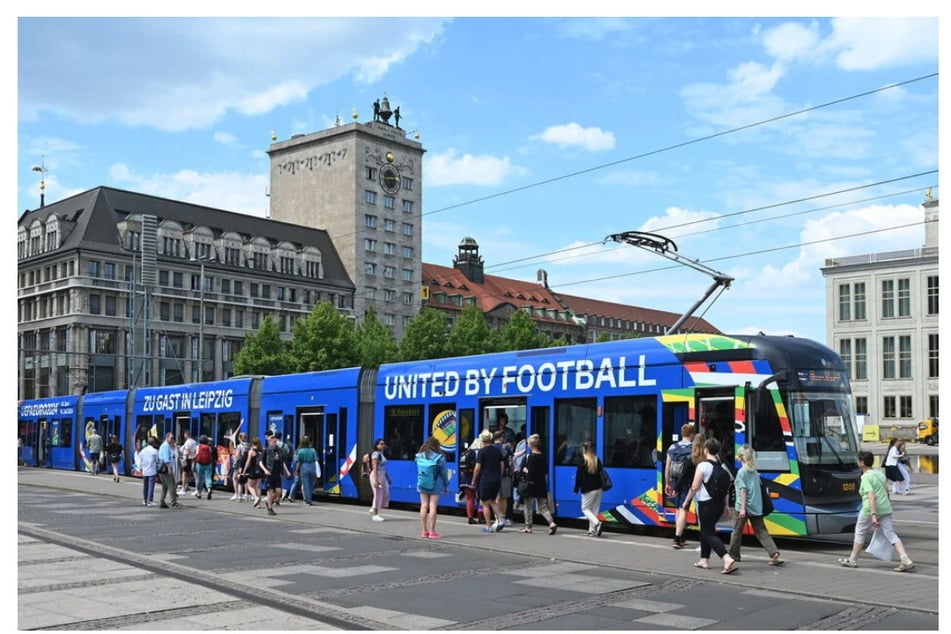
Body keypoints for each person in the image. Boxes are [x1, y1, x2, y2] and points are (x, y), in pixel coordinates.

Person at [838, 451, 915, 572]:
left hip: (870, 509)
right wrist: (886, 507)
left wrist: (873, 515)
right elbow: (885, 491)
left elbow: (871, 496)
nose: (857, 462)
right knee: (891, 534)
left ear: (862, 463)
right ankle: (905, 559)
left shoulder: (866, 477)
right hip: (885, 508)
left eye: (858, 460)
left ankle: (852, 559)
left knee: (860, 532)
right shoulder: (879, 473)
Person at [680, 437, 737, 574]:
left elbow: (694, 486)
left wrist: (686, 501)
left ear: (705, 450)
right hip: (718, 504)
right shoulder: (721, 466)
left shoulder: (702, 466)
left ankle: (726, 557)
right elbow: (728, 486)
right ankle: (704, 560)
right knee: (707, 530)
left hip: (706, 504)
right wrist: (726, 506)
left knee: (708, 533)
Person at [727, 445, 782, 566]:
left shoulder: (741, 472)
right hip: (756, 506)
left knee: (736, 531)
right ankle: (774, 553)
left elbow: (743, 491)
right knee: (761, 531)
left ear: (741, 457)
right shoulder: (754, 471)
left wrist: (742, 508)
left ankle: (733, 556)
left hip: (743, 506)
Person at [517, 434, 557, 535]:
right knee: (542, 506)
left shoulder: (531, 457)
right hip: (540, 484)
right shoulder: (542, 456)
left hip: (530, 485)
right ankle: (551, 523)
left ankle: (528, 527)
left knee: (528, 506)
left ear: (531, 445)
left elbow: (530, 472)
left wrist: (525, 470)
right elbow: (545, 471)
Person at [666, 423, 696, 549]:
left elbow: (667, 467)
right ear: (692, 434)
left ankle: (680, 534)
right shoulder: (694, 448)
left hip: (674, 480)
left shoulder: (673, 447)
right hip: (687, 482)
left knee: (678, 509)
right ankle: (677, 538)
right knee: (684, 508)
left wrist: (667, 483)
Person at [415, 436, 449, 538]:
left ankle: (424, 531)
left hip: (422, 483)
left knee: (424, 505)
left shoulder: (419, 456)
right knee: (432, 506)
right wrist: (446, 485)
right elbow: (444, 473)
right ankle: (432, 532)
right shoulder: (440, 458)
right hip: (435, 484)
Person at [471, 429, 504, 532]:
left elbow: (477, 468)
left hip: (485, 479)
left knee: (485, 503)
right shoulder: (497, 451)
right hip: (496, 479)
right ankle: (501, 519)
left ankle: (488, 526)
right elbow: (502, 465)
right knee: (493, 500)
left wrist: (473, 480)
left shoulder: (482, 452)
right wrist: (499, 476)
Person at [574, 441, 605, 537]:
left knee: (585, 509)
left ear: (584, 449)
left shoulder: (583, 460)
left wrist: (576, 487)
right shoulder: (597, 459)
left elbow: (578, 476)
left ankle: (597, 523)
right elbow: (601, 473)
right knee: (594, 510)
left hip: (588, 489)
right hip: (599, 488)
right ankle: (591, 531)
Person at [262, 433, 291, 515]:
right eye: (273, 441)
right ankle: (270, 509)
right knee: (270, 491)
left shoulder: (279, 451)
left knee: (278, 492)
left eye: (276, 441)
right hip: (269, 474)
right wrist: (265, 470)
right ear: (269, 442)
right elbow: (260, 462)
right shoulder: (266, 451)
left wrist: (287, 471)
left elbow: (282, 462)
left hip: (277, 474)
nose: (275, 443)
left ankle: (269, 502)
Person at [289, 436, 320, 506]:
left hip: (304, 467)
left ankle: (308, 501)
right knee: (311, 484)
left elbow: (299, 461)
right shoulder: (313, 450)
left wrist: (297, 470)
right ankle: (310, 499)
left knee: (306, 485)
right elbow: (316, 459)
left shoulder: (300, 451)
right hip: (312, 467)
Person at [459, 436, 482, 525]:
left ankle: (470, 517)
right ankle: (480, 517)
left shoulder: (468, 452)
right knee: (480, 499)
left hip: (465, 478)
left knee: (470, 498)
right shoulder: (480, 452)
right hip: (476, 477)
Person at [369, 438, 390, 521]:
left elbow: (383, 468)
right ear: (376, 445)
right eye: (381, 444)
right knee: (378, 494)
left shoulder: (380, 454)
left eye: (383, 444)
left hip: (382, 475)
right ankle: (375, 515)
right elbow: (375, 467)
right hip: (376, 475)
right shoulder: (375, 454)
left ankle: (373, 508)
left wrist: (388, 478)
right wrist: (376, 480)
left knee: (386, 493)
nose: (383, 445)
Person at [157, 433, 180, 509]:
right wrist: (169, 469)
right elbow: (166, 459)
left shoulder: (164, 445)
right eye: (171, 438)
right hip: (166, 468)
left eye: (173, 438)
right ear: (167, 437)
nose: (173, 439)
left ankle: (162, 501)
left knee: (165, 486)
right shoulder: (166, 446)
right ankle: (173, 502)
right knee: (171, 486)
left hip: (161, 469)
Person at [241, 437, 265, 507]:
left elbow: (248, 462)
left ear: (252, 443)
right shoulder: (261, 450)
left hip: (253, 470)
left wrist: (244, 470)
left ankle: (256, 497)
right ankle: (258, 504)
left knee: (250, 486)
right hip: (260, 470)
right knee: (258, 487)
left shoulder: (251, 451)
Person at [138, 436, 159, 507]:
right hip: (152, 471)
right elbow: (157, 461)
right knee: (151, 486)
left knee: (145, 486)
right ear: (154, 443)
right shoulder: (155, 451)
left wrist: (140, 468)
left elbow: (140, 460)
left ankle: (144, 500)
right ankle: (150, 501)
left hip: (145, 471)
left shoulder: (143, 451)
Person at [193, 435, 215, 499]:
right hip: (208, 464)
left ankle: (199, 493)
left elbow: (196, 455)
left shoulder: (198, 447)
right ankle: (209, 489)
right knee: (208, 477)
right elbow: (210, 454)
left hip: (199, 464)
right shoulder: (209, 447)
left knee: (200, 479)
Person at [230, 432, 250, 501]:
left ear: (239, 438)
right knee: (245, 479)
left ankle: (236, 494)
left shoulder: (239, 446)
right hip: (246, 463)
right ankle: (246, 494)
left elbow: (238, 455)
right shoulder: (248, 445)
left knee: (235, 478)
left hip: (239, 464)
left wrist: (234, 456)